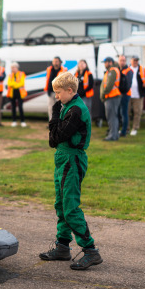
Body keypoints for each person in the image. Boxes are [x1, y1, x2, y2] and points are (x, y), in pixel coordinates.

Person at [39, 72, 103, 270]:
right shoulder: (67, 105)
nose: (56, 96)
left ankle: (91, 250)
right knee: (61, 204)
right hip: (63, 157)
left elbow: (57, 136)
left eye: (58, 92)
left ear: (69, 90)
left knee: (70, 207)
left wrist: (55, 117)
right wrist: (56, 121)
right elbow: (53, 141)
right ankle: (62, 246)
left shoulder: (75, 110)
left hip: (72, 159)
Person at [128, 56, 145, 136]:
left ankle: (135, 128)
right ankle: (126, 128)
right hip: (128, 95)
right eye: (134, 60)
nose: (135, 62)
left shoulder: (142, 69)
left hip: (138, 95)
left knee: (137, 112)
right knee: (126, 112)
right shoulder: (127, 69)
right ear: (131, 61)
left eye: (136, 60)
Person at [100, 57, 122, 141]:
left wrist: (103, 94)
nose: (105, 64)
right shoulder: (112, 70)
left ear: (110, 62)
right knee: (113, 116)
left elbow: (109, 85)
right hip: (112, 96)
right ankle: (114, 135)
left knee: (111, 117)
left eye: (105, 62)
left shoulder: (112, 71)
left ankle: (112, 135)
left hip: (112, 96)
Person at [44, 56, 68, 120]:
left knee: (60, 108)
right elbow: (48, 80)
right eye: (54, 61)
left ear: (60, 62)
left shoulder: (64, 70)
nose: (55, 63)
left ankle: (60, 122)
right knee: (50, 108)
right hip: (51, 92)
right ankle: (52, 123)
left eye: (56, 61)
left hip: (60, 93)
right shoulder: (49, 69)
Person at [7, 62, 27, 127]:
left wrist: (14, 84)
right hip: (12, 93)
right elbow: (9, 83)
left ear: (17, 68)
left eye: (14, 67)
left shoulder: (22, 74)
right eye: (12, 68)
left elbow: (21, 83)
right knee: (13, 107)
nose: (13, 69)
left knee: (20, 107)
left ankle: (22, 121)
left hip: (20, 93)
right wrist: (16, 84)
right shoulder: (10, 75)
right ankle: (14, 121)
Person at [117, 55, 131, 137]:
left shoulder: (128, 70)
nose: (122, 62)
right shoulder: (118, 69)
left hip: (125, 95)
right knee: (119, 113)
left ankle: (124, 131)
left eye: (123, 60)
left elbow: (128, 85)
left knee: (124, 113)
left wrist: (122, 93)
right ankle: (119, 129)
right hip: (118, 94)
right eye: (121, 60)